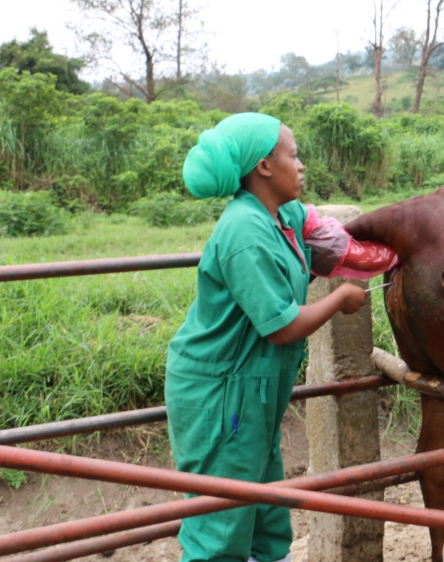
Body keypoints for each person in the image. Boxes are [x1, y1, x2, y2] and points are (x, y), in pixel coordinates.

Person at [166, 112, 392, 562]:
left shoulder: (280, 213)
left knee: (268, 511)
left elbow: (322, 234)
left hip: (257, 388)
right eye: (293, 155)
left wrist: (391, 249)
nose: (302, 164)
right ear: (264, 167)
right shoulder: (244, 232)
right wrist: (340, 298)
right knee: (222, 522)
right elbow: (282, 328)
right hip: (222, 392)